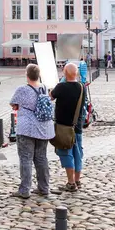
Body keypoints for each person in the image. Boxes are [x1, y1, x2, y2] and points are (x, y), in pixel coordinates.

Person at [9, 64, 55, 199]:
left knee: (26, 159)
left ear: (27, 75)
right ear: (38, 75)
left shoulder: (22, 89)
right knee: (41, 158)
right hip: (44, 128)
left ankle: (24, 190)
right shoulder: (45, 88)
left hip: (27, 129)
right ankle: (44, 188)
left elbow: (13, 104)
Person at [51, 63, 86, 192]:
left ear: (64, 73)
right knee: (78, 153)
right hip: (77, 127)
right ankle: (77, 180)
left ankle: (71, 183)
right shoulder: (82, 87)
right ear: (76, 74)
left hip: (63, 128)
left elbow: (50, 97)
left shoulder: (61, 87)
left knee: (66, 154)